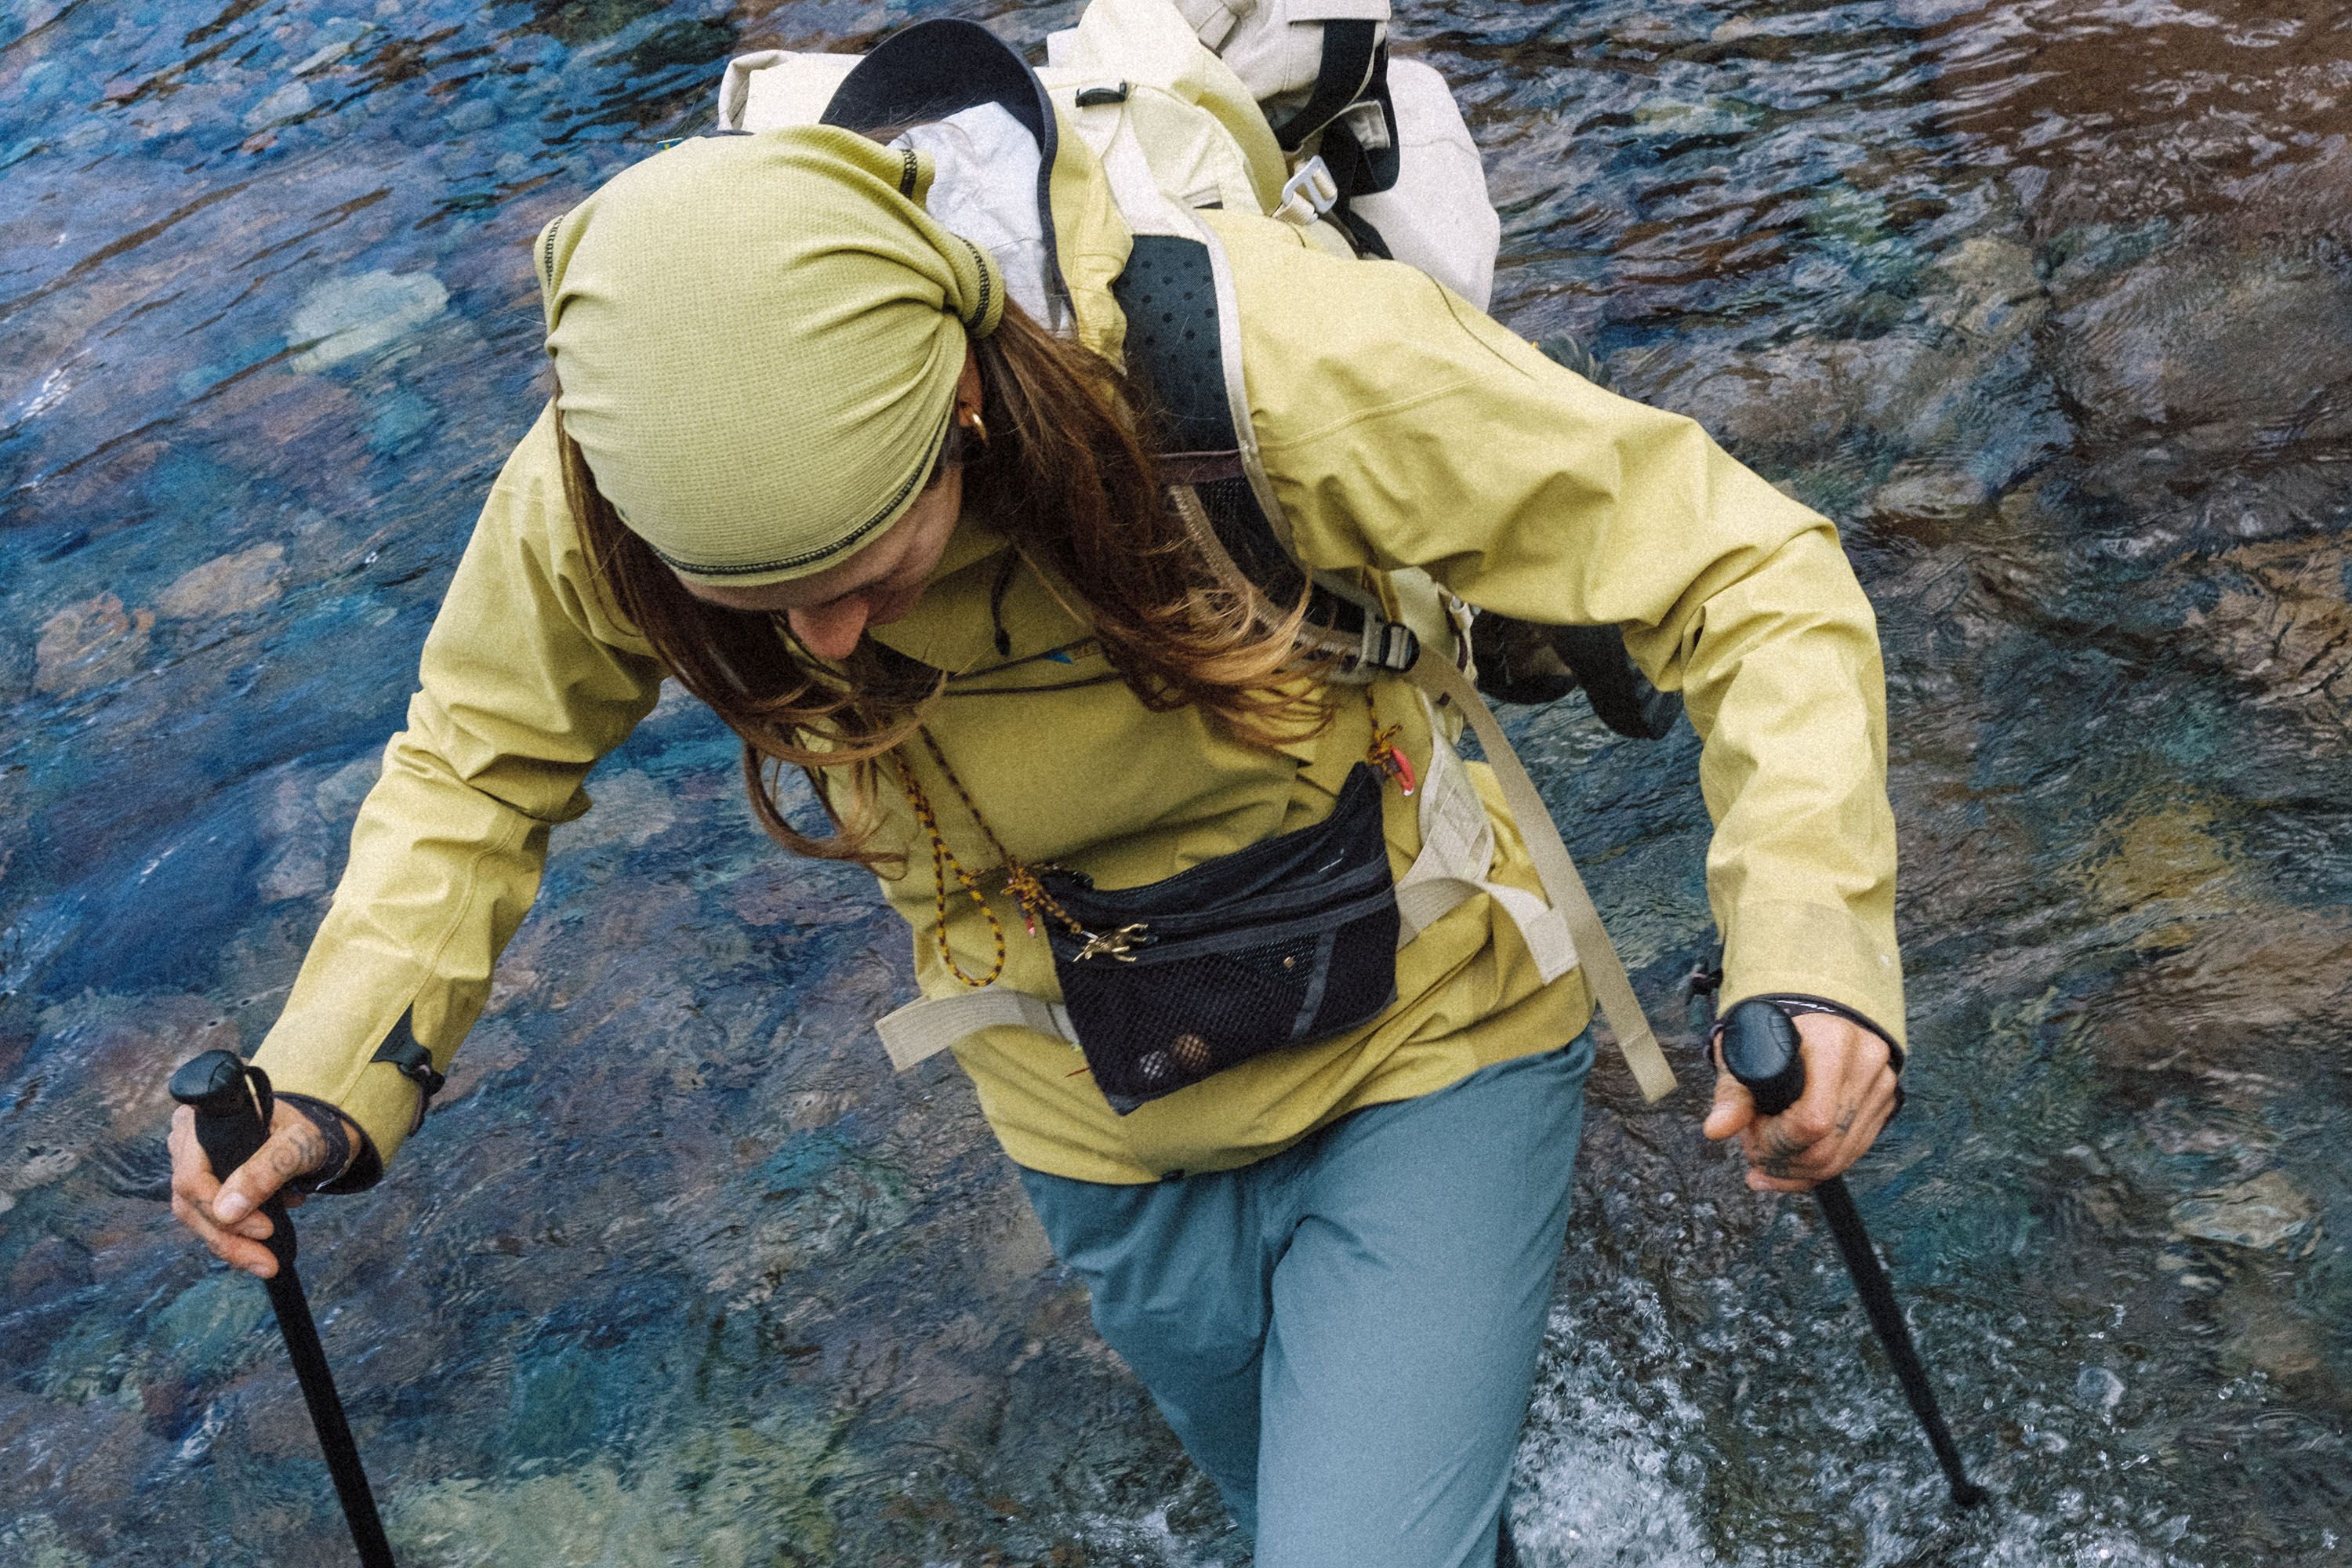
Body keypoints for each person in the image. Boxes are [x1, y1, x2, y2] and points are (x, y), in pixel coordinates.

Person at [166, 69, 1906, 1567]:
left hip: (1426, 1034)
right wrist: (328, 1080)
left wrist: (1814, 951)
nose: (828, 642)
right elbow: (479, 762)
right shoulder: (605, 484)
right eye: (754, 605)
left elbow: (1748, 569)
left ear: (970, 403)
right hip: (1084, 1113)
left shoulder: (1261, 361)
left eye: (862, 572)